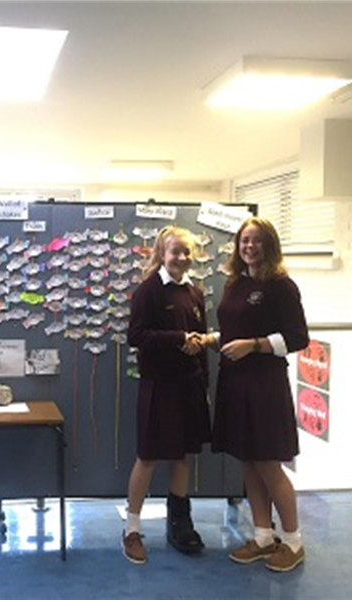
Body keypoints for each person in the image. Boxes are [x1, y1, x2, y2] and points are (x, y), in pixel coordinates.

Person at [208, 216, 310, 572]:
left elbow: (297, 338)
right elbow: (234, 330)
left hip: (264, 384)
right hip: (234, 381)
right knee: (248, 461)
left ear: (270, 245)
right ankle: (264, 537)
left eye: (256, 240)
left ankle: (293, 541)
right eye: (244, 240)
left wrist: (254, 345)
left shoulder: (281, 286)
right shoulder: (235, 284)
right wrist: (212, 340)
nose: (249, 246)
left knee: (268, 462)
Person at [122, 225, 213, 565]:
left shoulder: (195, 293)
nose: (182, 257)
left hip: (189, 386)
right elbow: (136, 336)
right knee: (147, 456)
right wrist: (178, 339)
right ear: (162, 254)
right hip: (158, 385)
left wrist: (203, 383)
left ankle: (180, 523)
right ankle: (131, 530)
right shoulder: (148, 291)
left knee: (181, 456)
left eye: (187, 252)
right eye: (176, 251)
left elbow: (200, 339)